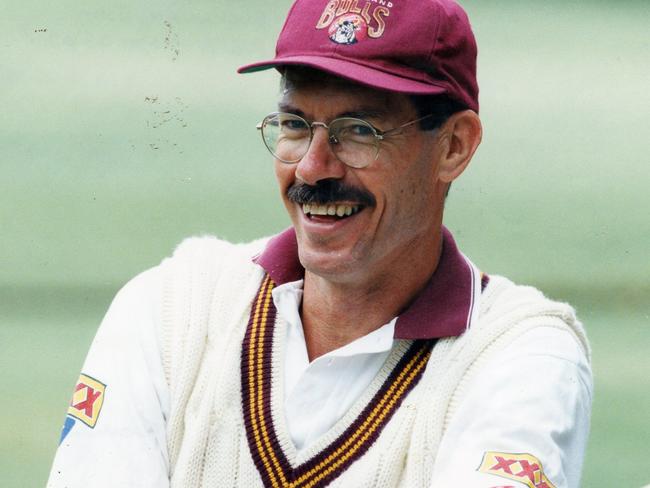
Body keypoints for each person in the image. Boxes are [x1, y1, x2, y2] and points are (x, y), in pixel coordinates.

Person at [47, 0, 592, 487]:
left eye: (359, 130)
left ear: (454, 146)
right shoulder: (172, 307)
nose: (312, 166)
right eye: (294, 124)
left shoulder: (519, 353)